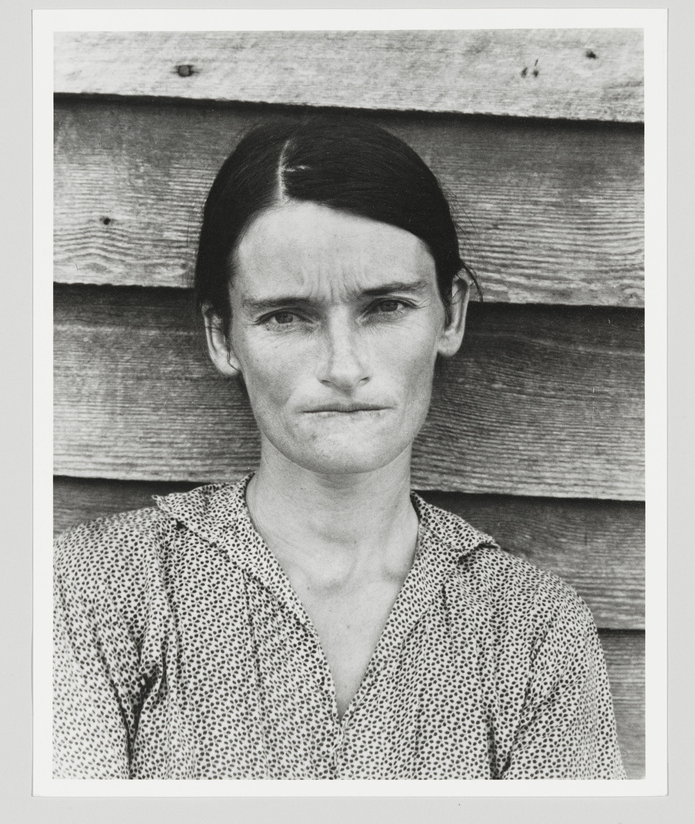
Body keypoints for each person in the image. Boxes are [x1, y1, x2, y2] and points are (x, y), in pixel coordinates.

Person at [53, 117, 626, 780]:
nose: (344, 366)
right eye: (285, 316)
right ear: (221, 336)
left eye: (384, 307)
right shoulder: (94, 590)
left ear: (452, 311)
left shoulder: (531, 629)